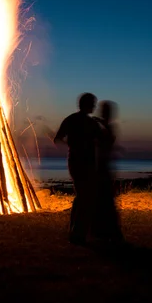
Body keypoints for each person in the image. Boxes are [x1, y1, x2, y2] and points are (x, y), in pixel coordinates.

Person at [54, 93, 102, 245]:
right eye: (93, 103)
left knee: (81, 196)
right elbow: (105, 139)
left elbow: (57, 139)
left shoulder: (71, 119)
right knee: (85, 197)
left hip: (75, 162)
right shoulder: (90, 123)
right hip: (84, 162)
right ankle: (78, 234)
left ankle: (74, 230)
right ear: (87, 104)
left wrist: (70, 144)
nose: (94, 106)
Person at [93, 101, 124, 243]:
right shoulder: (105, 127)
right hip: (101, 166)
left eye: (103, 111)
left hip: (102, 167)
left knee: (105, 199)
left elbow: (107, 142)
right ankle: (105, 230)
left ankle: (108, 231)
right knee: (103, 200)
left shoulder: (108, 128)